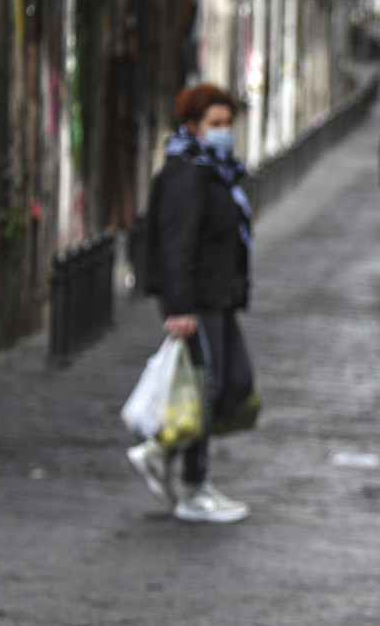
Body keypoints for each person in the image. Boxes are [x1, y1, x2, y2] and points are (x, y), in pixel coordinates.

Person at [133, 84, 256, 523]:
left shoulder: (217, 171)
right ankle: (193, 486)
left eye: (228, 123)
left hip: (219, 296)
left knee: (234, 383)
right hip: (196, 299)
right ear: (193, 127)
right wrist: (177, 307)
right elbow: (174, 243)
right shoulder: (186, 173)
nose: (225, 132)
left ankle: (161, 452)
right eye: (215, 125)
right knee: (205, 392)